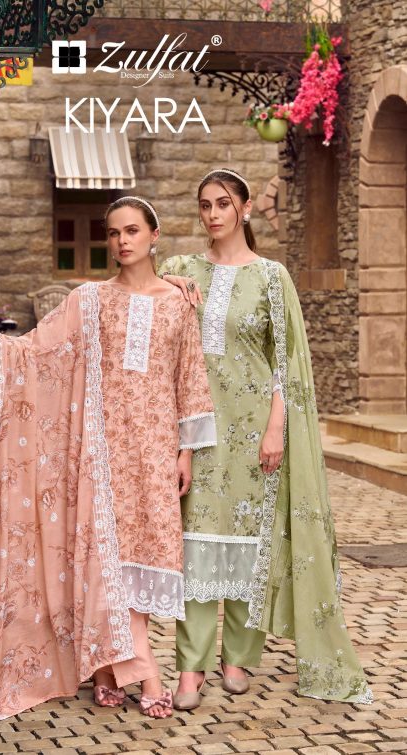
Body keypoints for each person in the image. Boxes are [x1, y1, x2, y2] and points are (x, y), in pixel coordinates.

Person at [0, 196, 217, 721]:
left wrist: (185, 451)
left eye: (132, 230)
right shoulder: (90, 300)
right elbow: (34, 350)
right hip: (99, 450)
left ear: (154, 235)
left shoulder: (178, 303)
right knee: (106, 556)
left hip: (153, 449)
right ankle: (145, 672)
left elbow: (190, 376)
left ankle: (106, 668)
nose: (122, 241)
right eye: (114, 232)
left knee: (146, 554)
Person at [158, 168, 372, 710]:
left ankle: (238, 658)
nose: (212, 214)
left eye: (222, 203)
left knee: (249, 544)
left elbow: (286, 362)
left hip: (255, 429)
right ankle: (190, 667)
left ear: (245, 208)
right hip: (198, 428)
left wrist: (276, 426)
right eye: (205, 204)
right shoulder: (181, 270)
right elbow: (149, 315)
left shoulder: (272, 278)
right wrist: (166, 289)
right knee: (197, 545)